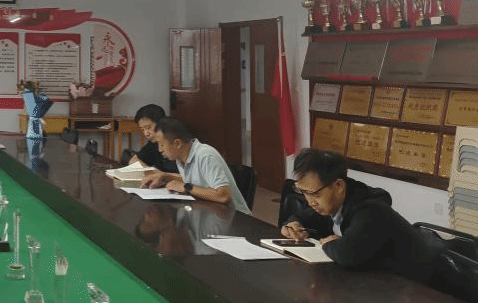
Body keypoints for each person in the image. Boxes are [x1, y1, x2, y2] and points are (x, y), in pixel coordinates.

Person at [280, 148, 450, 285]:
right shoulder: (330, 202)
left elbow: (347, 255)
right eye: (303, 192)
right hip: (383, 283)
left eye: (315, 194)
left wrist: (329, 244)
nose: (310, 202)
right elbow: (303, 216)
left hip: (423, 287)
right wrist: (293, 224)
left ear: (338, 186)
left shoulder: (369, 210)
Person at [140, 117, 250, 213]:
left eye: (161, 144)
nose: (160, 150)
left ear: (177, 143)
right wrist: (166, 177)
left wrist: (185, 187)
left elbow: (224, 196)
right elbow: (197, 180)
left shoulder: (205, 155)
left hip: (234, 218)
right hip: (211, 212)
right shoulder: (181, 157)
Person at [123, 104, 178, 173]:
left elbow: (186, 176)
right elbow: (134, 160)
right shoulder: (153, 143)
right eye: (143, 129)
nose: (146, 133)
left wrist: (162, 175)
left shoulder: (175, 140)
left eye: (148, 127)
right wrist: (152, 171)